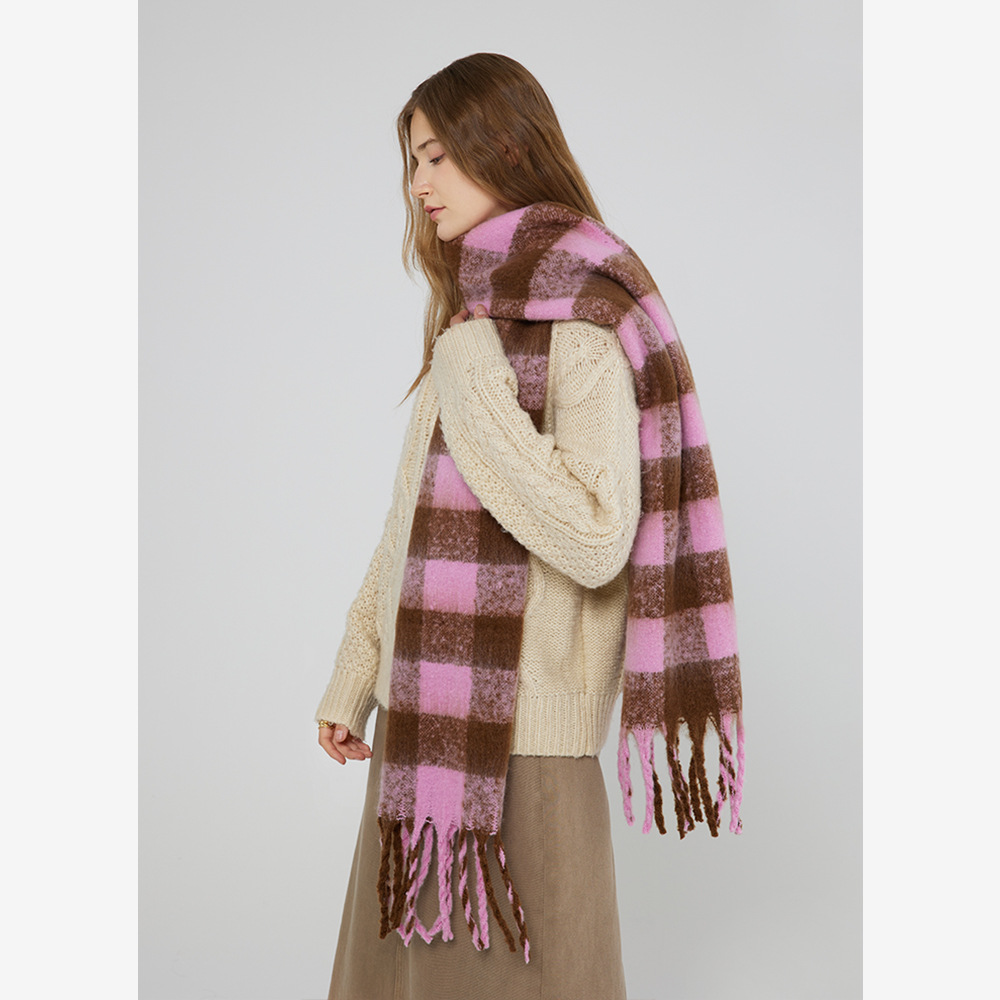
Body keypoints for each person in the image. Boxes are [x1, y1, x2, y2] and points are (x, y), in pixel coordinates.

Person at [315, 52, 743, 1000]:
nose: (418, 183)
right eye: (412, 161)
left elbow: (595, 537)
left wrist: (470, 375)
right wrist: (357, 672)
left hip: (528, 756)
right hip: (422, 735)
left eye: (436, 156)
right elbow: (408, 521)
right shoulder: (473, 315)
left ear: (502, 148)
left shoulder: (581, 322)